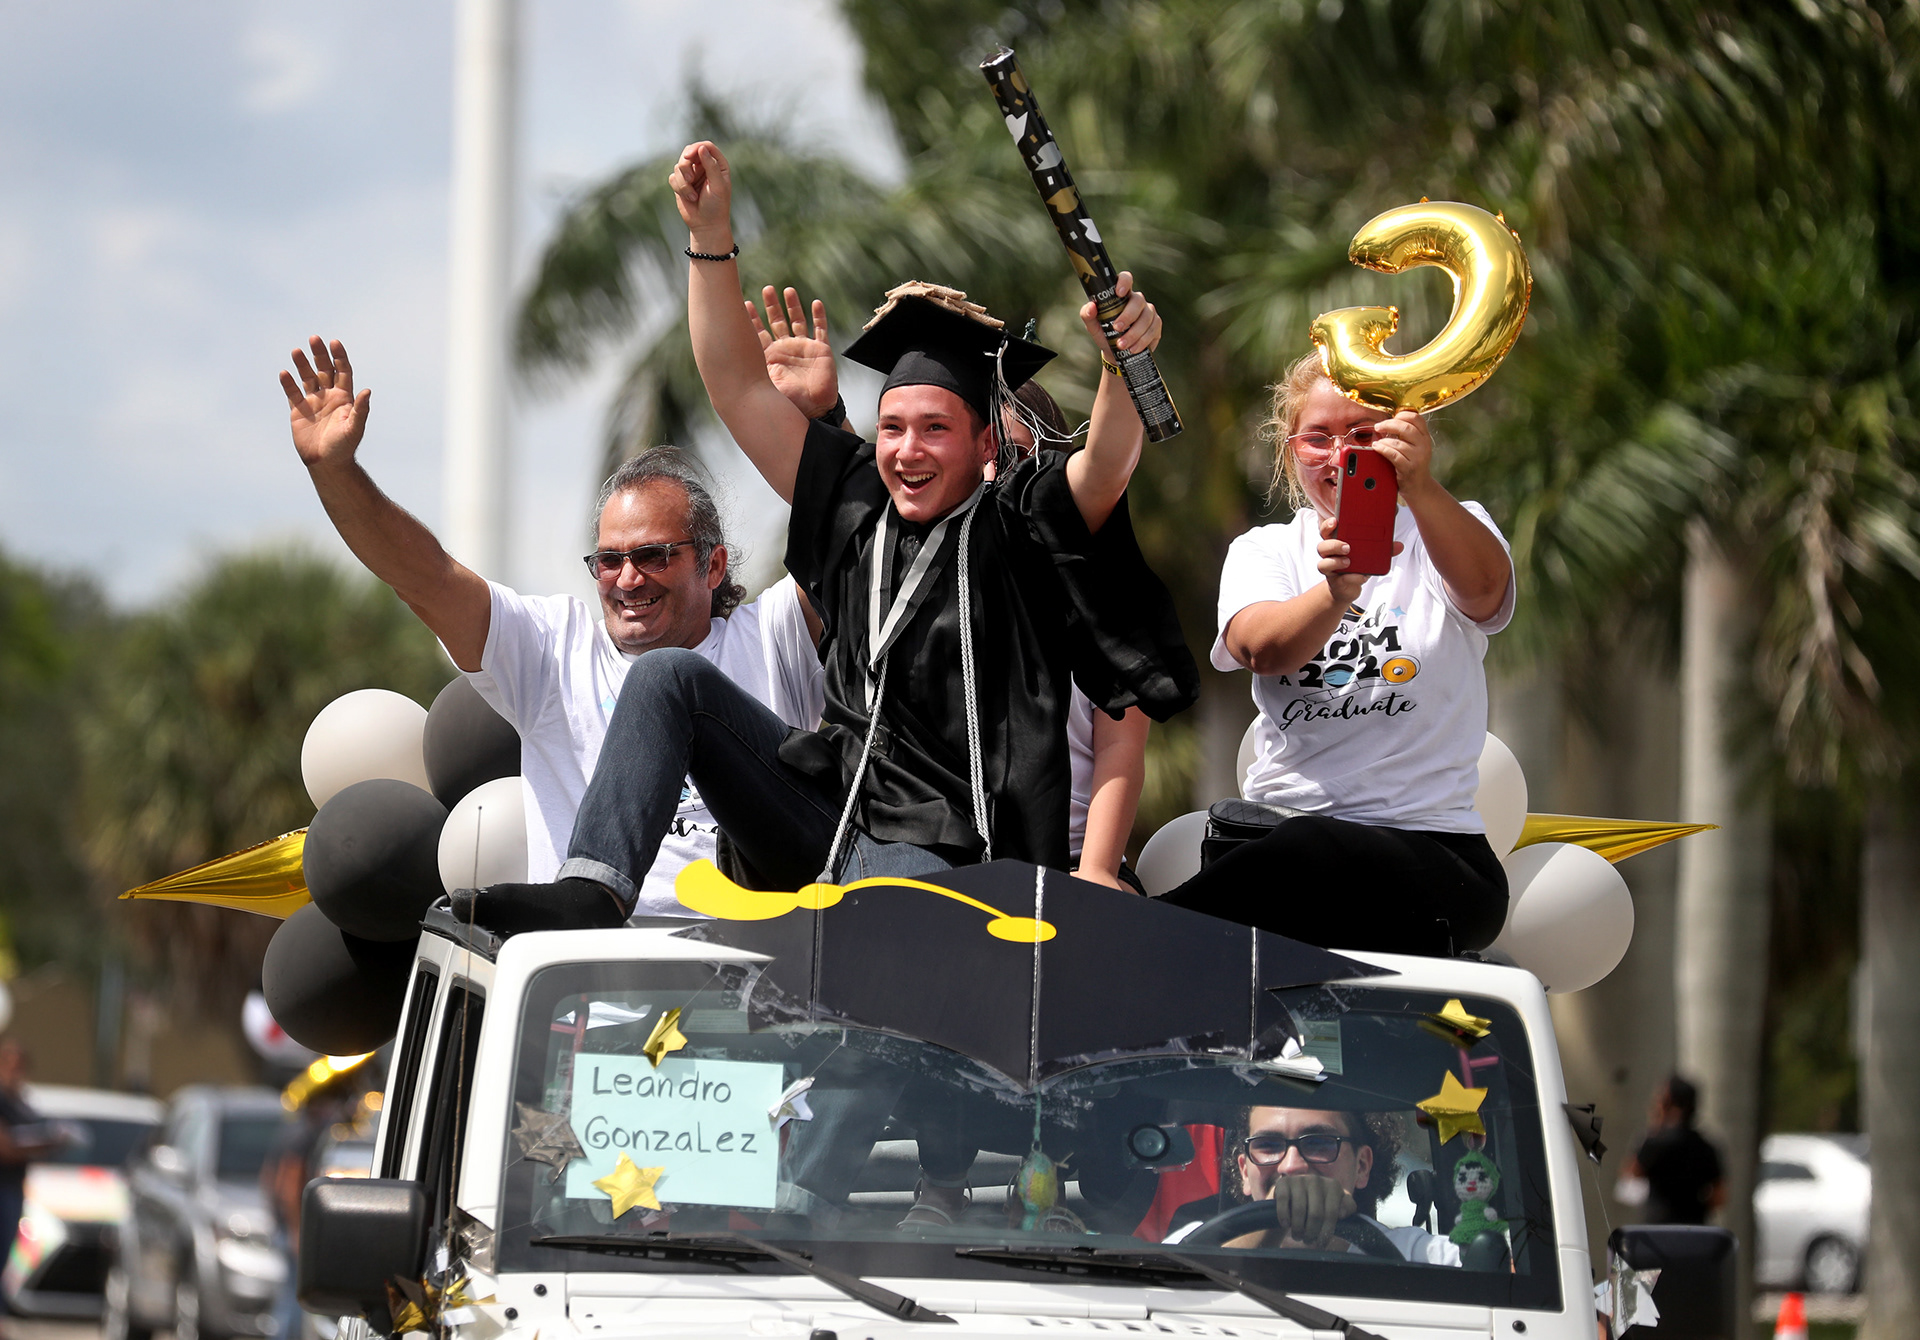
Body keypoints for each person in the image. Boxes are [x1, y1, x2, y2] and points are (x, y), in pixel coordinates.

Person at [451, 140, 1196, 932]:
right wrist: (710, 238)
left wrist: (1123, 362)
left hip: (952, 852)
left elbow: (1105, 465)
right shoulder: (856, 508)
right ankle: (594, 889)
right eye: (895, 426)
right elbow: (737, 384)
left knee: (887, 931)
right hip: (825, 818)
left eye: (936, 429)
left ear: (986, 447)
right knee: (668, 677)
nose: (907, 449)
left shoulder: (1016, 529)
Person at [278, 345, 823, 921]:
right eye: (609, 560)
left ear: (713, 566)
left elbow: (859, 551)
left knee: (673, 679)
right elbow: (426, 578)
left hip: (763, 977)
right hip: (595, 979)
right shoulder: (554, 651)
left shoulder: (773, 635)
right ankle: (592, 893)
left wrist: (823, 426)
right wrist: (335, 472)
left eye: (654, 555)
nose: (628, 578)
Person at [747, 285, 1152, 893]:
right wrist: (827, 416)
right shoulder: (923, 558)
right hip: (914, 842)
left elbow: (1122, 744)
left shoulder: (1068, 569)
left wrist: (1093, 870)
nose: (997, 477)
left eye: (1018, 456)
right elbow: (871, 511)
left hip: (1058, 860)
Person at [1161, 353, 1516, 956]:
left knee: (1310, 850)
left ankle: (1126, 933)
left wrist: (1422, 487)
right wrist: (1333, 591)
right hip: (1280, 848)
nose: (1341, 456)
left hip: (1434, 855)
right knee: (1297, 849)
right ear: (1291, 450)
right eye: (1318, 438)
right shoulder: (1265, 551)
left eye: (1363, 435)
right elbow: (1259, 647)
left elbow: (1485, 592)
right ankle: (1135, 939)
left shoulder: (1450, 528)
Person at [1164, 1104, 1461, 1265]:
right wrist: (1269, 1225)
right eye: (1268, 1145)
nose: (1291, 1165)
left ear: (1362, 1166)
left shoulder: (1421, 1258)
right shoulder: (1189, 1245)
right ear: (1244, 1170)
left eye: (1319, 1143)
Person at [0, 1041, 73, 1309]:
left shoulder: (20, 1102)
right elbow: (6, 1148)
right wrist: (49, 1141)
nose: (14, 1071)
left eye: (20, 1065)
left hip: (14, 1186)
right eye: (9, 1064)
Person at [1621, 1075, 1725, 1225]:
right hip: (1693, 1229)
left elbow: (1630, 1175)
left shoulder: (1653, 1143)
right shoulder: (1706, 1147)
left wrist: (1656, 1124)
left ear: (1666, 1102)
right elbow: (1719, 1197)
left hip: (1656, 1229)